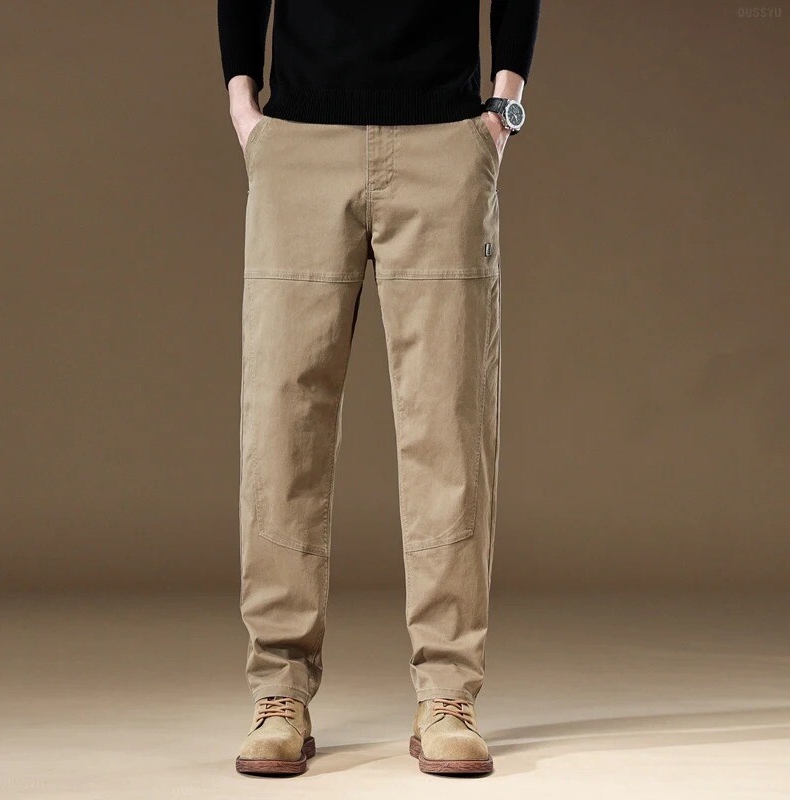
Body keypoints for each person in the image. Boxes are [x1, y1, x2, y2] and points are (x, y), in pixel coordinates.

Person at [218, 0, 539, 776]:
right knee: (282, 423)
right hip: (299, 143)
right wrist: (243, 106)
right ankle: (279, 689)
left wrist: (502, 109)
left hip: (444, 141)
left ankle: (448, 693)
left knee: (449, 423)